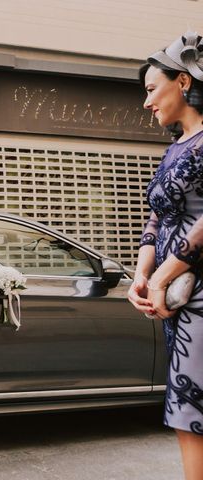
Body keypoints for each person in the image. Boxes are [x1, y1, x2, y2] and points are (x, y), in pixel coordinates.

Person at [128, 31, 203, 480]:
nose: (146, 102)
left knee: (192, 406)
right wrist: (141, 274)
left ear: (184, 82)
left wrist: (162, 277)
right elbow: (157, 217)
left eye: (152, 90)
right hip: (177, 297)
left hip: (195, 290)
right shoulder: (174, 148)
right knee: (185, 407)